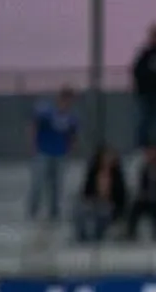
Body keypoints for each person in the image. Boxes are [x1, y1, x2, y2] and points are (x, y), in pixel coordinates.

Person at [29, 87, 80, 221]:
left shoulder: (71, 117)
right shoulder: (47, 112)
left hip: (60, 153)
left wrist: (70, 150)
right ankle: (33, 210)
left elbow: (72, 135)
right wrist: (34, 145)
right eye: (65, 100)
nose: (67, 103)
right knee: (38, 183)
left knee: (57, 185)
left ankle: (54, 212)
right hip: (44, 151)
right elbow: (35, 125)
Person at [75, 146, 126, 242]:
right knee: (81, 209)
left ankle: (98, 236)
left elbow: (121, 195)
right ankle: (82, 237)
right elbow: (86, 191)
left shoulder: (117, 174)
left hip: (110, 204)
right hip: (94, 201)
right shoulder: (93, 172)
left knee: (103, 210)